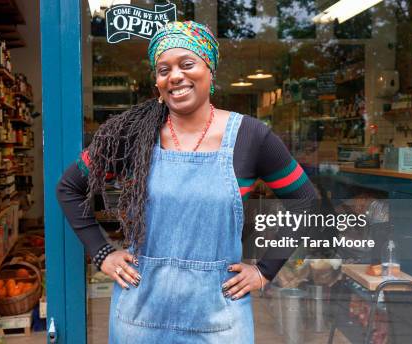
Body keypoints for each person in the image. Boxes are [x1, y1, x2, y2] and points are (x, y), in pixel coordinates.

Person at [56, 20, 317, 344]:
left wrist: (265, 271)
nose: (174, 76)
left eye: (187, 64)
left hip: (220, 322)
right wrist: (101, 253)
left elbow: (306, 201)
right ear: (157, 82)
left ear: (210, 70)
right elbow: (69, 187)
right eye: (163, 69)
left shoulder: (251, 137)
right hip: (140, 320)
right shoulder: (131, 135)